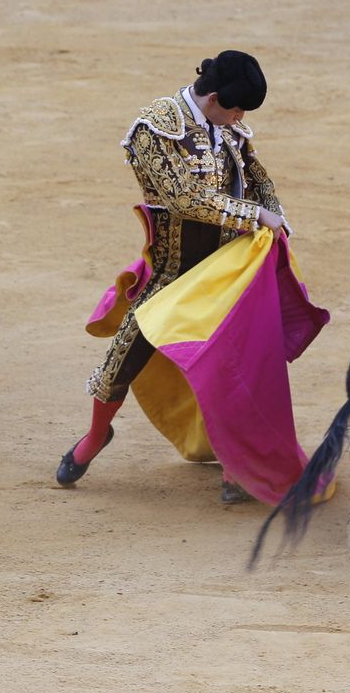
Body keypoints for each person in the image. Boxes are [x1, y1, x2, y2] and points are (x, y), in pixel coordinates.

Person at [56, 50, 290, 503]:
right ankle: (94, 436)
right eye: (236, 109)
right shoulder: (154, 127)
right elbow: (184, 199)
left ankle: (235, 465)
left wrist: (275, 215)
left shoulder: (229, 126)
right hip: (173, 271)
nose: (240, 119)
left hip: (226, 269)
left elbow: (257, 175)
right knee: (123, 356)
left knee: (235, 367)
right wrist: (255, 215)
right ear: (215, 97)